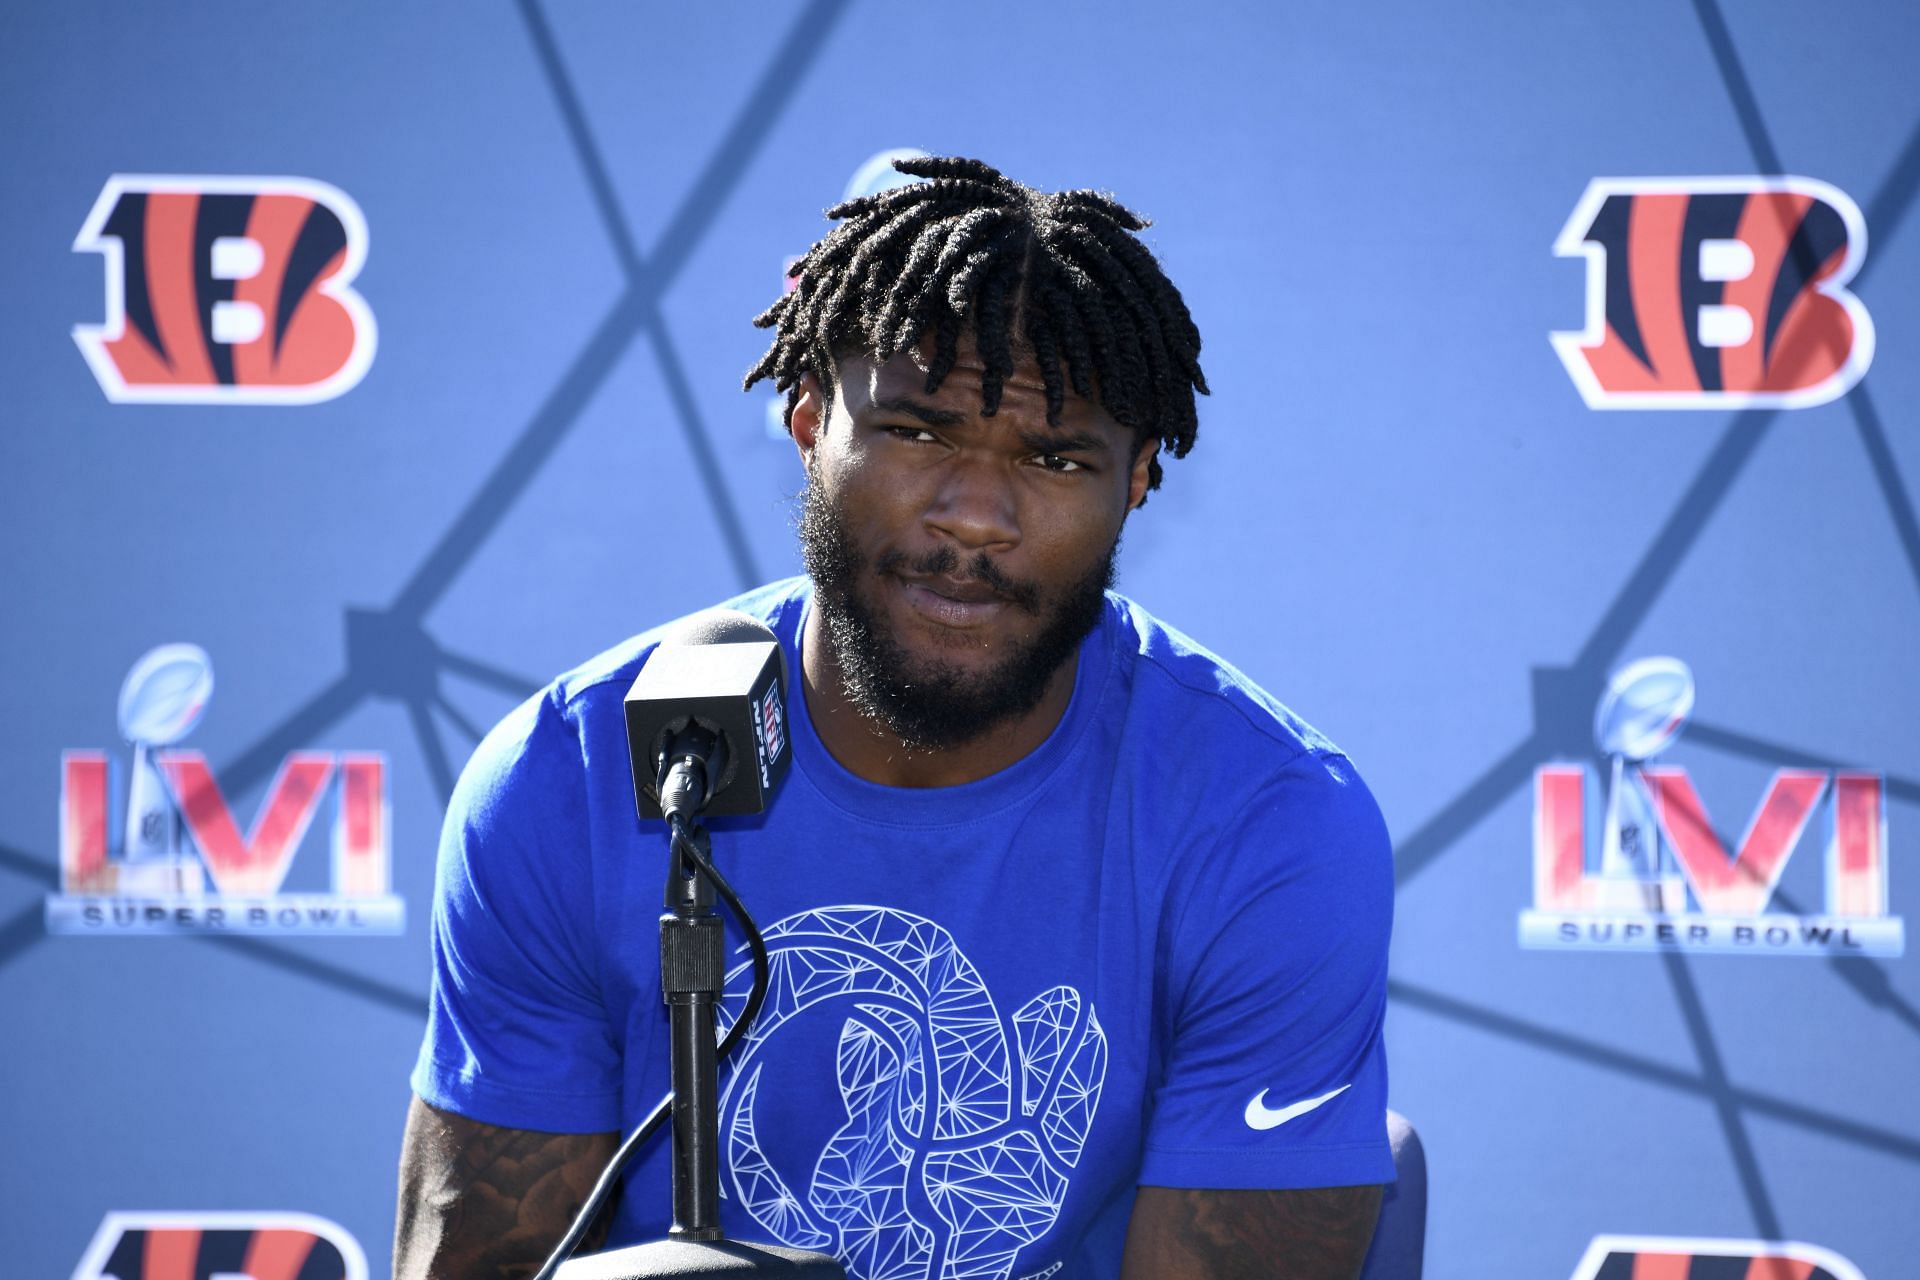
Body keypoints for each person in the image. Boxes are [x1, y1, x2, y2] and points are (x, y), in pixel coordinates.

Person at [395, 155, 1395, 1280]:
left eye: (1055, 457)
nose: (975, 515)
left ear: (1141, 481)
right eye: (919, 432)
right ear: (810, 419)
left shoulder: (1267, 827)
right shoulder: (569, 776)